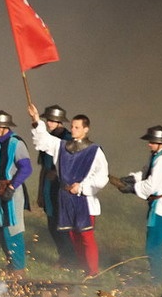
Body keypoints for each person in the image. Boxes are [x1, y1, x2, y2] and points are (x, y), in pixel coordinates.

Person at [28, 104, 108, 277]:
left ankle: (93, 271)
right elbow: (44, 140)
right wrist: (36, 119)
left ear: (86, 129)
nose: (73, 129)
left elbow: (102, 177)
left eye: (77, 127)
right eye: (72, 126)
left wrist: (82, 187)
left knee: (86, 236)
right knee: (73, 235)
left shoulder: (95, 151)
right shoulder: (63, 146)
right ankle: (81, 267)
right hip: (66, 198)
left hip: (84, 200)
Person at [111, 125, 162, 281]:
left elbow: (152, 185)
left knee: (153, 245)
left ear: (159, 142)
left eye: (151, 141)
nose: (149, 144)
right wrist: (132, 178)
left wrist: (132, 188)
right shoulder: (158, 154)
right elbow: (147, 172)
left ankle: (155, 280)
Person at [0, 110, 32, 277]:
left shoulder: (16, 143)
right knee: (2, 228)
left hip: (13, 190)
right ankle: (11, 263)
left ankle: (19, 268)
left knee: (13, 228)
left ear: (6, 126)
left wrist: (12, 187)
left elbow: (26, 168)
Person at [33, 104, 75, 266]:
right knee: (52, 224)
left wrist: (58, 174)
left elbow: (73, 165)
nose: (49, 123)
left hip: (63, 187)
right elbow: (44, 167)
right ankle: (64, 255)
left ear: (59, 122)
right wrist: (40, 193)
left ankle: (70, 257)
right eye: (48, 120)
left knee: (63, 224)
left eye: (52, 120)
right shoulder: (46, 139)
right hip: (49, 187)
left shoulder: (68, 139)